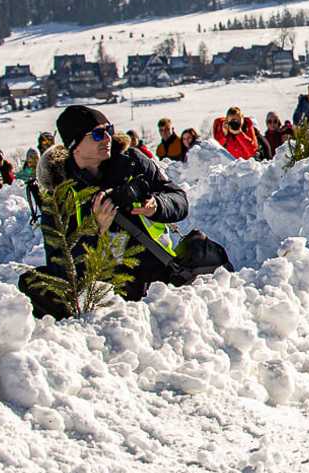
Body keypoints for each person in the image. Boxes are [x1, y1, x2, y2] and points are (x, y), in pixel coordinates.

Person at [17, 106, 227, 321]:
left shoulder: (131, 162)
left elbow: (179, 200)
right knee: (32, 284)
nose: (107, 137)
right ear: (75, 146)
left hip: (154, 273)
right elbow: (60, 266)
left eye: (109, 129)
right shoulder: (60, 192)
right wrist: (94, 230)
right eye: (98, 134)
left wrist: (156, 206)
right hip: (98, 290)